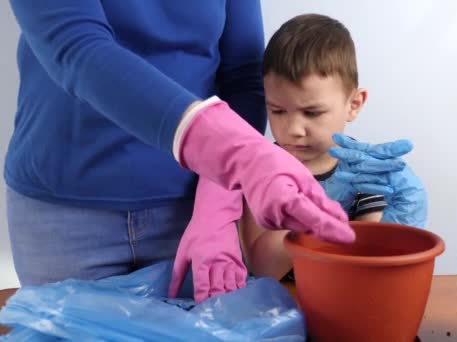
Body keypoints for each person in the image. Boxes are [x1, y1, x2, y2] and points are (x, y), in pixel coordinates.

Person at [6, 1, 353, 302]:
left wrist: (217, 204)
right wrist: (237, 156)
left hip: (189, 208)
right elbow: (74, 45)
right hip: (64, 208)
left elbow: (242, 74)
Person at [239, 14, 428, 281]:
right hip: (277, 305)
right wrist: (311, 219)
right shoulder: (262, 171)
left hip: (341, 298)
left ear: (354, 104)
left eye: (312, 113)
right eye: (278, 110)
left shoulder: (362, 172)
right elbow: (263, 266)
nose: (293, 128)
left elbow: (362, 258)